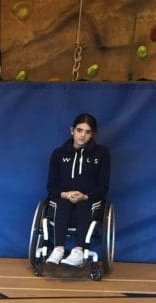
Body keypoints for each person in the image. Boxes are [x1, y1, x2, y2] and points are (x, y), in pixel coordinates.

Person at [45, 112, 111, 268]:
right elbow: (51, 186)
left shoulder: (101, 154)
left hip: (89, 200)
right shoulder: (58, 154)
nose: (82, 135)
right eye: (79, 130)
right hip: (63, 198)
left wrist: (85, 196)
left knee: (84, 204)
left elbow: (103, 187)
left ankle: (78, 252)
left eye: (88, 132)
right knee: (63, 203)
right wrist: (66, 194)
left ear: (93, 134)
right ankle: (58, 249)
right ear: (72, 131)